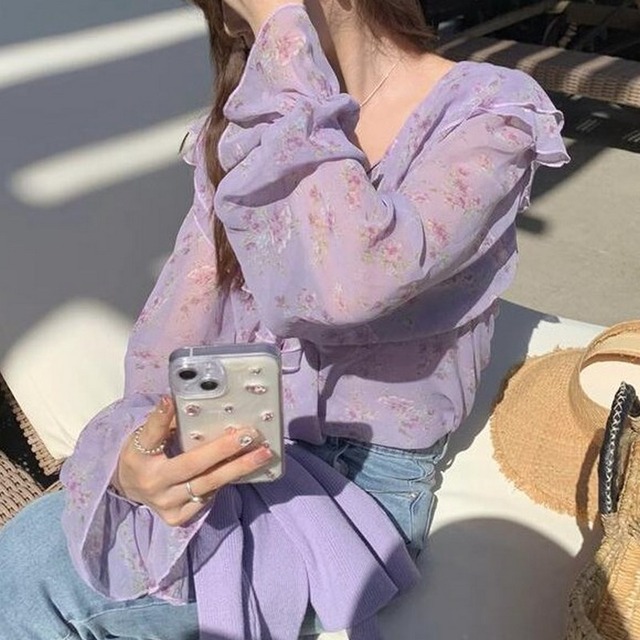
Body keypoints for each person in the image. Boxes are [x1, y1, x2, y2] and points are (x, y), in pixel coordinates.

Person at [0, 0, 569, 638]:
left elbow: (355, 280)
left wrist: (285, 42)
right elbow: (175, 328)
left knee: (25, 578)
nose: (236, 22)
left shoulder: (488, 111)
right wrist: (135, 459)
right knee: (25, 554)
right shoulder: (251, 128)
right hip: (227, 446)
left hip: (362, 485)